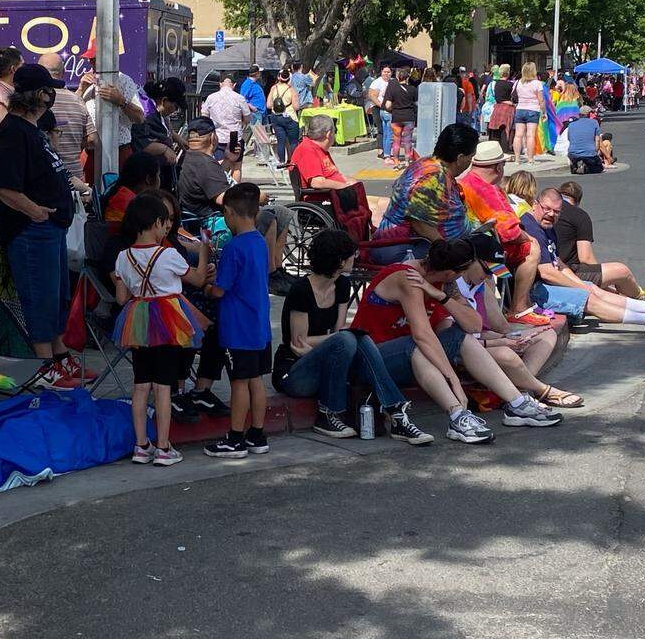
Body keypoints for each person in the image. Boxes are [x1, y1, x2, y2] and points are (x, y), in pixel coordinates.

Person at [353, 238, 564, 444]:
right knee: (417, 347)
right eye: (460, 273)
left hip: (407, 355)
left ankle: (517, 404)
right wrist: (453, 379)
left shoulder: (438, 284)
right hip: (372, 357)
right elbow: (423, 335)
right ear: (450, 272)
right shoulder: (408, 278)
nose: (461, 278)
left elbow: (473, 326)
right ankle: (457, 414)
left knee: (459, 337)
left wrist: (441, 296)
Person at [273, 230, 433, 445]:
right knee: (349, 338)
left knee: (356, 338)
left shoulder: (342, 285)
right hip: (295, 370)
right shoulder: (301, 290)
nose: (355, 258)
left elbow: (336, 332)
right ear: (339, 260)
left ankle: (396, 412)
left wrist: (336, 341)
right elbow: (298, 343)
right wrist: (335, 341)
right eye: (351, 254)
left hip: (323, 358)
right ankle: (328, 413)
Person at [0, 64, 84, 386]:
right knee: (40, 296)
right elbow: (2, 186)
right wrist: (35, 211)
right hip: (32, 230)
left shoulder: (32, 129)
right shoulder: (13, 131)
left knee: (57, 295)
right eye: (49, 89)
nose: (53, 95)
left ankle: (59, 355)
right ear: (38, 94)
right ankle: (45, 368)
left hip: (50, 226)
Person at [112, 194, 211, 467]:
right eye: (165, 223)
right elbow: (198, 279)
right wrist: (204, 252)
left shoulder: (122, 257)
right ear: (157, 223)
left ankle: (141, 446)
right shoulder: (168, 254)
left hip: (138, 321)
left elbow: (121, 299)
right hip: (168, 322)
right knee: (163, 388)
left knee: (141, 385)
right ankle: (164, 447)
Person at [521, 188, 645, 330]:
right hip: (532, 292)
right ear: (535, 204)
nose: (551, 214)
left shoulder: (546, 227)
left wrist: (580, 284)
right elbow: (547, 272)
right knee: (587, 297)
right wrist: (580, 288)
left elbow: (558, 263)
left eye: (556, 211)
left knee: (592, 288)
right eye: (546, 209)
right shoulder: (530, 226)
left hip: (544, 285)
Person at [456, 234, 583, 408]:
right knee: (505, 353)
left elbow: (498, 327)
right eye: (487, 271)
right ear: (471, 261)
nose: (488, 277)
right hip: (463, 348)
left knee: (547, 334)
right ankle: (541, 390)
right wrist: (502, 341)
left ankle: (520, 388)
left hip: (480, 341)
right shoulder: (454, 287)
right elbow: (464, 337)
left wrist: (513, 337)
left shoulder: (479, 285)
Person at [175, 120, 295, 290]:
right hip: (212, 224)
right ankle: (269, 274)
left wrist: (229, 161)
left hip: (203, 218)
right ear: (213, 138)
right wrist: (254, 197)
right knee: (269, 216)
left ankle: (276, 268)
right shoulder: (203, 164)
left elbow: (212, 182)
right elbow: (224, 198)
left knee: (281, 212)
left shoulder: (192, 158)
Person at [202, 183, 272, 459]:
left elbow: (219, 289)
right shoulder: (259, 242)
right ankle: (256, 433)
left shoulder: (234, 247)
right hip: (258, 325)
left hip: (237, 327)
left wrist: (208, 287)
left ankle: (235, 437)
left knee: (239, 382)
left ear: (230, 212)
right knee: (256, 380)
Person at [458, 141, 549, 326]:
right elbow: (509, 232)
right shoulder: (487, 190)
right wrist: (528, 237)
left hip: (469, 244)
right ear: (498, 167)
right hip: (486, 251)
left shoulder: (466, 181)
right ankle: (519, 309)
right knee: (532, 248)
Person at [555, 181, 645, 307]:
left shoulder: (547, 211)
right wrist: (606, 279)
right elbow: (585, 258)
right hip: (568, 272)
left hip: (553, 270)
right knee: (622, 271)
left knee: (609, 292)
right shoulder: (579, 215)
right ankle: (644, 298)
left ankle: (634, 301)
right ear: (578, 201)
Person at [370, 123, 479, 264]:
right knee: (477, 256)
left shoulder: (432, 165)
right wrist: (447, 249)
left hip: (417, 243)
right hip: (403, 248)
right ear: (460, 158)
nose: (470, 162)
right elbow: (419, 222)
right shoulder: (431, 177)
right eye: (471, 157)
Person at [77, 40, 146, 169]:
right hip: (90, 153)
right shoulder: (87, 82)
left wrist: (121, 101)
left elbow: (140, 118)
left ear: (108, 59)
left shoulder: (124, 81)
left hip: (119, 152)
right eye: (90, 59)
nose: (90, 63)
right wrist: (81, 89)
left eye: (94, 59)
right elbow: (73, 112)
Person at [38, 53, 97, 184]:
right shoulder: (78, 100)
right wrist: (75, 145)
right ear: (63, 72)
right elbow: (93, 139)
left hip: (43, 177)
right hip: (74, 177)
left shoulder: (36, 100)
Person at [132, 79, 187, 187]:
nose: (175, 110)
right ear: (164, 100)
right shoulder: (146, 114)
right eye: (176, 106)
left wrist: (177, 138)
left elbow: (166, 130)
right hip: (148, 178)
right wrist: (165, 149)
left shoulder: (158, 112)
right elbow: (140, 144)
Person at [200, 76, 253, 182]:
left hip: (217, 135)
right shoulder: (239, 98)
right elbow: (248, 118)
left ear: (220, 84)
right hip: (234, 135)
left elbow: (204, 116)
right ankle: (234, 192)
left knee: (219, 162)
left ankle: (219, 186)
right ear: (234, 85)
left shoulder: (211, 97)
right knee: (236, 166)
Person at [289, 115, 356, 191]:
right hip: (324, 197)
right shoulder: (307, 150)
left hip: (336, 194)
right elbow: (317, 182)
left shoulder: (320, 149)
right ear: (328, 134)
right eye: (335, 131)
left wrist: (350, 182)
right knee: (370, 202)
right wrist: (345, 187)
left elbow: (333, 174)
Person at [103, 152, 161, 237]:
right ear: (148, 179)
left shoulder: (120, 194)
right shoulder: (129, 203)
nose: (160, 180)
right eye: (158, 175)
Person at [383, 67, 418, 168]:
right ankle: (407, 161)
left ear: (398, 78)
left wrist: (394, 108)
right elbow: (417, 104)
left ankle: (396, 162)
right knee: (407, 140)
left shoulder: (393, 89)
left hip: (396, 117)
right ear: (407, 78)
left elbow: (388, 105)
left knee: (396, 140)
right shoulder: (413, 89)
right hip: (409, 117)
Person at [511, 62, 545, 165]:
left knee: (518, 135)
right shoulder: (537, 83)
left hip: (520, 109)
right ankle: (530, 159)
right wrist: (543, 112)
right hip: (533, 110)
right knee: (530, 135)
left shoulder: (517, 82)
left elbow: (513, 96)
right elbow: (541, 100)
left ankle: (517, 159)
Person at [565, 109, 602, 174]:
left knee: (576, 157)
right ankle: (586, 167)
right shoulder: (594, 122)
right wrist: (596, 151)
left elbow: (569, 139)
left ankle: (575, 165)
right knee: (599, 168)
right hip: (589, 153)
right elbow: (597, 140)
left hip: (573, 153)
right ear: (589, 114)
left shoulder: (571, 124)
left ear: (579, 114)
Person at [368, 65, 393, 159]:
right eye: (384, 72)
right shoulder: (377, 82)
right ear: (381, 72)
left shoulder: (392, 81)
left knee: (388, 130)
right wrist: (381, 105)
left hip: (389, 108)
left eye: (388, 72)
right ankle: (380, 150)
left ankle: (387, 150)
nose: (386, 74)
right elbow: (372, 96)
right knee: (381, 129)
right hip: (377, 108)